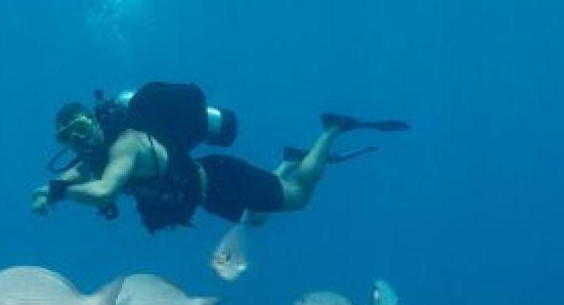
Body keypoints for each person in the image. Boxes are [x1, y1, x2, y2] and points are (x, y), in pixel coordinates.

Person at [31, 82, 408, 232]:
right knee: (257, 220)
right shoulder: (94, 156)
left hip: (223, 181)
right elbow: (72, 176)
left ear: (95, 121)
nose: (78, 140)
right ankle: (289, 159)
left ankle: (331, 129)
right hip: (210, 196)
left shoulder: (127, 143)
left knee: (299, 197)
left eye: (82, 129)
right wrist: (48, 191)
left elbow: (105, 191)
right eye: (68, 137)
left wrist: (60, 193)